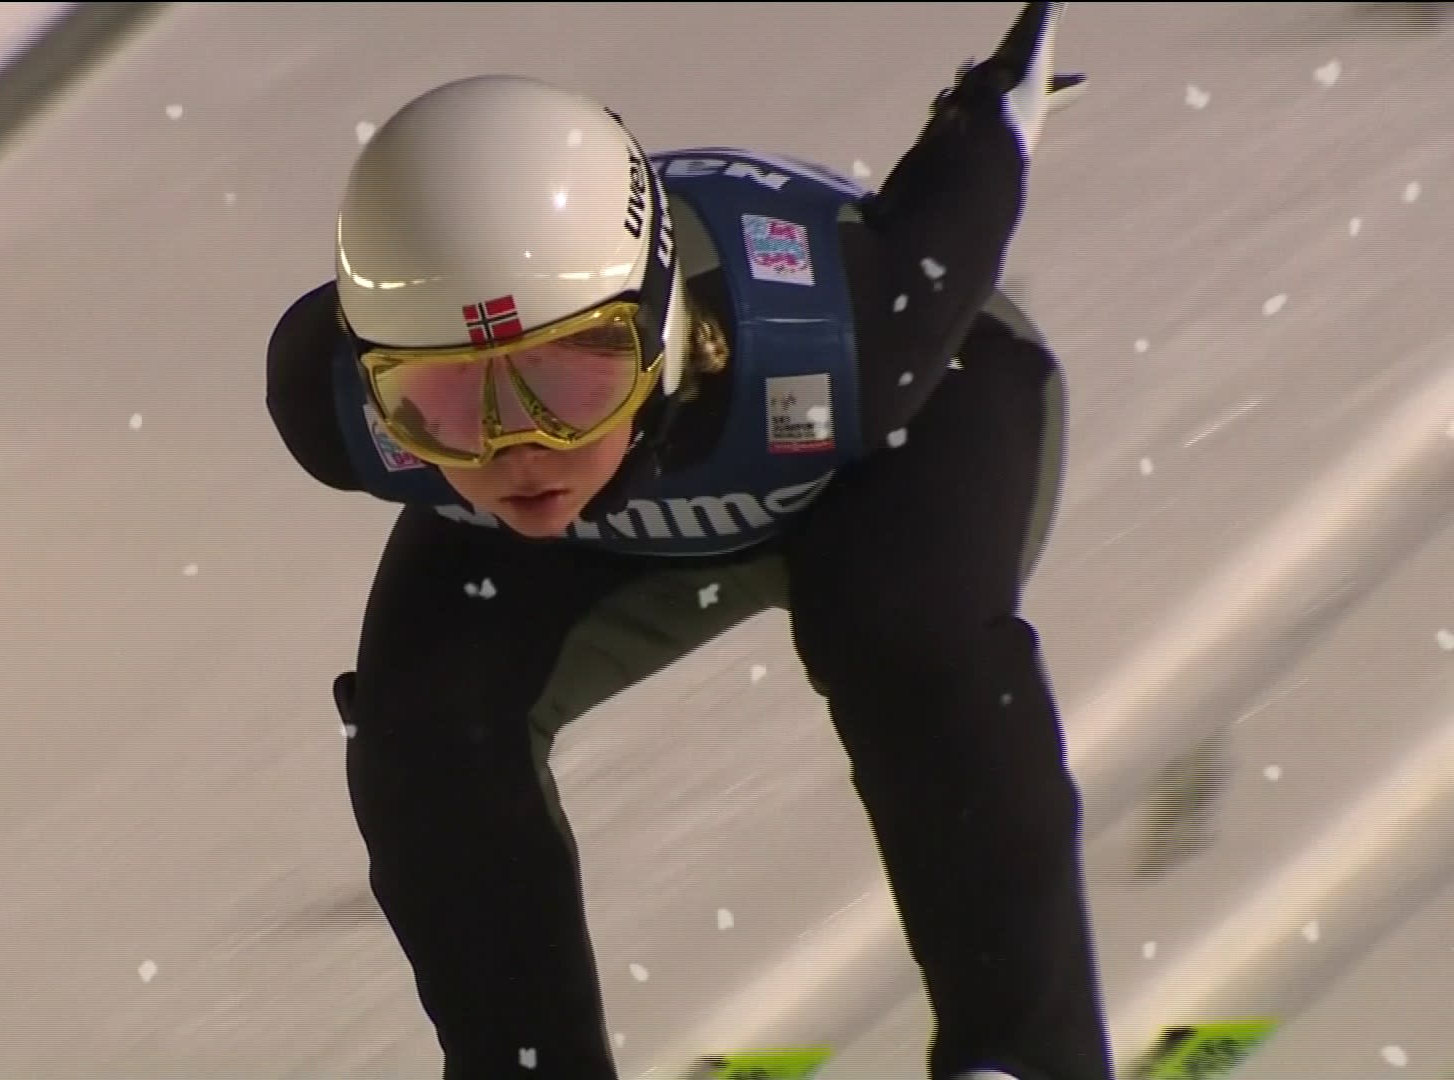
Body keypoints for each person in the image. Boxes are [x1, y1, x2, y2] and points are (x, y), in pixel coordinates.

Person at [263, 4, 1111, 1079]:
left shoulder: (843, 329)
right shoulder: (338, 407)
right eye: (446, 404)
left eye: (572, 377)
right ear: (377, 392)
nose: (523, 450)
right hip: (644, 485)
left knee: (901, 632)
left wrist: (993, 102)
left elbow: (968, 190)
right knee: (423, 730)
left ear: (663, 330)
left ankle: (1026, 1058)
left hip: (893, 440)